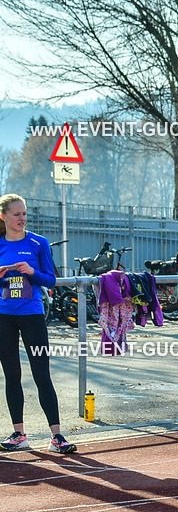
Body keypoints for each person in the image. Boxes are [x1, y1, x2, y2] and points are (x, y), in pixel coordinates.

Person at [0, 193, 74, 454]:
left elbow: (51, 280)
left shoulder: (38, 242)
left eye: (24, 214)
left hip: (32, 316)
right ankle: (19, 434)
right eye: (17, 214)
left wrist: (32, 272)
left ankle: (57, 437)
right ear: (3, 216)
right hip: (3, 317)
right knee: (12, 377)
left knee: (42, 374)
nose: (22, 218)